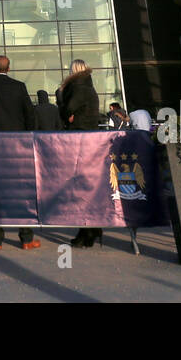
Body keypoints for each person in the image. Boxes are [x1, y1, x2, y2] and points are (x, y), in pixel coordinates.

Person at [0, 55, 39, 250]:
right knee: (21, 190)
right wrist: (28, 137)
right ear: (9, 68)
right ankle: (26, 237)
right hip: (18, 146)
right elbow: (30, 113)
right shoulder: (19, 87)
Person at [60, 59, 103, 248]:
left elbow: (68, 109)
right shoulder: (89, 88)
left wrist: (63, 100)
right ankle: (91, 229)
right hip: (91, 141)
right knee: (88, 187)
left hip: (78, 140)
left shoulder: (77, 88)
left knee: (78, 189)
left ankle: (86, 230)